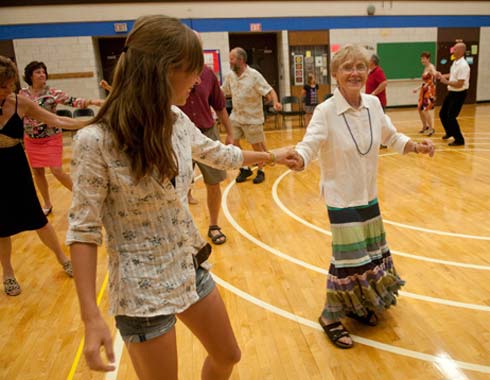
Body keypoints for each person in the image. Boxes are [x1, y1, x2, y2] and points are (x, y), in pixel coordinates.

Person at [66, 15, 293, 378]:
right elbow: (82, 231)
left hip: (188, 266)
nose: (200, 79)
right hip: (141, 289)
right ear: (162, 70)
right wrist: (90, 316)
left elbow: (218, 153)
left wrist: (272, 156)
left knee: (228, 355)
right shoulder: (95, 141)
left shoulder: (174, 119)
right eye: (192, 69)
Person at [285, 45, 435, 349]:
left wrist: (415, 146)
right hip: (340, 198)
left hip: (367, 195)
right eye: (347, 68)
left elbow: (390, 137)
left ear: (368, 71)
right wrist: (299, 158)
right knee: (348, 260)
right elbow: (309, 144)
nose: (355, 72)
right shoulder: (326, 111)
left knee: (367, 255)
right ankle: (330, 315)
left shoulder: (373, 105)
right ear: (337, 75)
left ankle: (358, 304)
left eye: (360, 67)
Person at [0, 56, 85, 296]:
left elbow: (55, 119)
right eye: (3, 86)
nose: (8, 90)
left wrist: (89, 122)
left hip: (16, 165)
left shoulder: (20, 102)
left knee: (37, 217)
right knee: (2, 226)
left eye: (10, 85)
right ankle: (8, 274)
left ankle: (63, 259)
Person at [19, 61, 103, 216]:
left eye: (43, 71)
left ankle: (83, 198)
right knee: (37, 172)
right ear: (30, 76)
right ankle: (47, 203)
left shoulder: (52, 92)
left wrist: (92, 101)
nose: (42, 74)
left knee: (57, 170)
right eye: (38, 72)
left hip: (51, 138)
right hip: (31, 140)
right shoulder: (22, 94)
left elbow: (73, 101)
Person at [179, 62, 234, 245]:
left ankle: (214, 225)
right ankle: (181, 231)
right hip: (179, 135)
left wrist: (230, 133)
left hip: (207, 133)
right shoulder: (171, 71)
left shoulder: (208, 74)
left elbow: (219, 106)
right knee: (178, 185)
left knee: (214, 181)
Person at [222, 47, 282, 185]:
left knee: (257, 147)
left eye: (232, 59)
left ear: (240, 60)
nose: (229, 62)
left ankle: (261, 171)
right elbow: (223, 91)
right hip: (236, 117)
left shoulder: (254, 75)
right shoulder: (230, 76)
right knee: (233, 142)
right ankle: (245, 169)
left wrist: (276, 102)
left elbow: (269, 90)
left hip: (253, 119)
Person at [436, 41, 470, 146]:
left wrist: (446, 82)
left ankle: (459, 140)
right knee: (442, 114)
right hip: (451, 93)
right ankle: (450, 132)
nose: (452, 51)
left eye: (454, 49)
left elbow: (460, 84)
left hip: (459, 94)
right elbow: (453, 75)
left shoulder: (464, 65)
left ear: (460, 51)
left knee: (451, 117)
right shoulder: (455, 62)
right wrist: (442, 76)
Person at [413, 51, 436, 136]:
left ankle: (431, 128)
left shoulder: (431, 67)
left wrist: (435, 73)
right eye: (421, 59)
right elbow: (425, 82)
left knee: (426, 110)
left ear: (428, 59)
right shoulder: (425, 68)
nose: (422, 60)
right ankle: (424, 126)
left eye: (424, 58)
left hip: (429, 91)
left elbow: (434, 74)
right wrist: (417, 88)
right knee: (419, 108)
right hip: (424, 90)